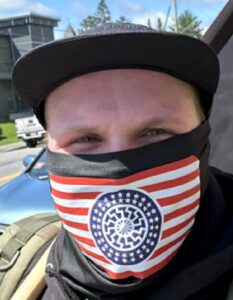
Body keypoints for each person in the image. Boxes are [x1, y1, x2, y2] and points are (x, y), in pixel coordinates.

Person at [11, 22, 233, 300]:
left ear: (203, 134)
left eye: (155, 132)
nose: (120, 173)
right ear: (49, 147)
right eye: (85, 138)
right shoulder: (17, 268)